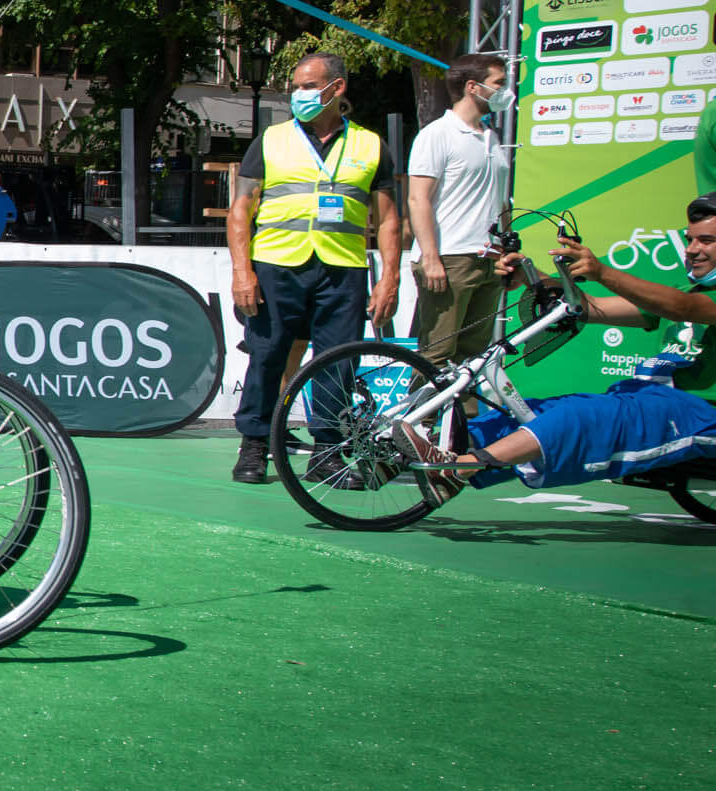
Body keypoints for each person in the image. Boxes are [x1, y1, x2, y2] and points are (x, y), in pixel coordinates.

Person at [396, 200, 716, 504]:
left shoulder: (688, 301)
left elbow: (681, 307)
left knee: (579, 418)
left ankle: (457, 471)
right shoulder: (690, 292)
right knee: (539, 412)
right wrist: (531, 278)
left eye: (706, 241)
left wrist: (602, 272)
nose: (690, 250)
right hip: (651, 396)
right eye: (689, 239)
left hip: (701, 413)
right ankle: (403, 458)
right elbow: (589, 308)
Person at [226, 52, 401, 485]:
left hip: (342, 269)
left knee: (337, 363)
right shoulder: (270, 140)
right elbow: (240, 210)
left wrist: (390, 278)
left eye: (308, 86)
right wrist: (241, 272)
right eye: (296, 87)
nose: (298, 95)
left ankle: (328, 453)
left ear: (336, 89)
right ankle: (254, 447)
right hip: (276, 265)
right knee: (266, 358)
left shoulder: (371, 145)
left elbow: (390, 218)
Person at [406, 53, 513, 371]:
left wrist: (506, 248)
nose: (506, 91)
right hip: (450, 258)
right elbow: (418, 199)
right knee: (436, 354)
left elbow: (500, 201)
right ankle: (419, 421)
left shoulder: (491, 137)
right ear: (472, 86)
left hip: (488, 258)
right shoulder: (436, 134)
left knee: (471, 356)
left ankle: (461, 422)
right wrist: (431, 257)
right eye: (499, 84)